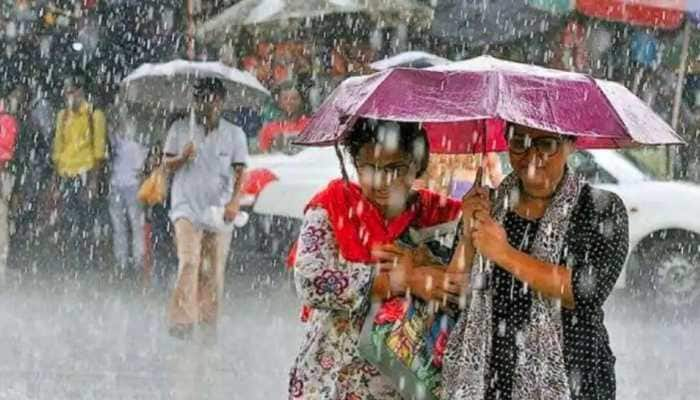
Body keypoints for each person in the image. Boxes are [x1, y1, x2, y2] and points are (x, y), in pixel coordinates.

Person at [443, 124, 629, 400]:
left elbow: (583, 293)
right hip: (493, 377)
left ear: (570, 144)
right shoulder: (488, 207)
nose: (531, 155)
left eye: (546, 144)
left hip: (573, 378)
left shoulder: (601, 208)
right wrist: (469, 235)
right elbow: (452, 291)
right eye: (519, 142)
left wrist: (503, 253)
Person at [288, 119, 470, 399]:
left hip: (405, 378)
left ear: (416, 165)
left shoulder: (437, 215)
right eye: (368, 167)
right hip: (335, 372)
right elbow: (312, 282)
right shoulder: (332, 207)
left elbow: (465, 281)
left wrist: (430, 266)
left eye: (395, 169)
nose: (381, 180)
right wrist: (400, 280)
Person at [163, 78, 248, 340]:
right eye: (201, 99)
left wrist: (235, 202)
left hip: (219, 209)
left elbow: (241, 171)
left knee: (212, 269)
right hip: (185, 205)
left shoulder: (234, 134)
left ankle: (207, 319)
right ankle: (181, 321)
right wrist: (182, 157)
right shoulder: (180, 129)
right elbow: (166, 165)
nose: (207, 105)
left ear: (221, 102)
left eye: (212, 99)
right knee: (189, 261)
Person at [51, 73, 107, 265]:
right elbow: (57, 150)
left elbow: (99, 152)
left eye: (73, 92)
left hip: (85, 175)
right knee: (66, 221)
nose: (69, 96)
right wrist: (56, 182)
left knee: (86, 222)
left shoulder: (94, 115)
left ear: (81, 92)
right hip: (66, 175)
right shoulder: (63, 116)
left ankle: (85, 261)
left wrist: (93, 182)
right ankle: (69, 261)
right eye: (67, 93)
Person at [108, 103, 148, 277]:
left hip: (131, 184)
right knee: (123, 226)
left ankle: (134, 262)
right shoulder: (115, 135)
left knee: (132, 225)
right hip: (119, 184)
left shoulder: (137, 134)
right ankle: (124, 262)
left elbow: (143, 161)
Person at [0, 84, 22, 281]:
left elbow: (7, 151)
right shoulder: (8, 121)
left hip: (4, 174)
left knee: (2, 219)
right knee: (3, 220)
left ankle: (3, 264)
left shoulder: (7, 121)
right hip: (5, 174)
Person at [257, 81, 310, 153]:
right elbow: (264, 157)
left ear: (301, 101)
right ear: (279, 102)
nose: (289, 102)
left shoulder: (311, 125)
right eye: (285, 98)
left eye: (294, 98)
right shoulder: (268, 129)